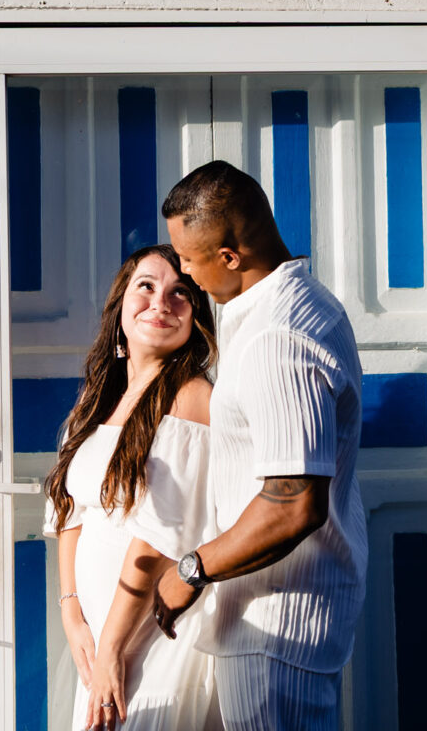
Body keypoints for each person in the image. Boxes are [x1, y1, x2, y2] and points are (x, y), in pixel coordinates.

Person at [152, 161, 368, 731]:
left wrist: (189, 571)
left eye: (189, 259)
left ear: (230, 256)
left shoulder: (280, 336)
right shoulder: (276, 309)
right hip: (263, 620)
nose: (184, 272)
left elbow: (293, 503)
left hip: (278, 628)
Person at [42, 244, 222, 731]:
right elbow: (69, 512)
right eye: (147, 286)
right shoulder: (96, 400)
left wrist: (115, 650)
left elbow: (159, 534)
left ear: (196, 315)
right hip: (97, 629)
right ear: (121, 300)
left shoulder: (191, 396)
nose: (161, 302)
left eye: (180, 292)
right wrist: (72, 612)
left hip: (150, 632)